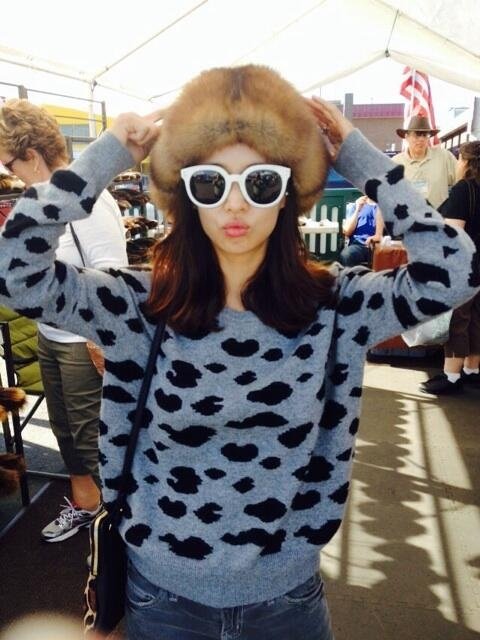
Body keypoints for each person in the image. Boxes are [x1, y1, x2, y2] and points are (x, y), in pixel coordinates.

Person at [0, 65, 478, 640]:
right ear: (186, 194)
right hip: (163, 598)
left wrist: (360, 159)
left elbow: (457, 270)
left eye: (261, 183)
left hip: (288, 598)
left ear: (288, 195)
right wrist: (105, 156)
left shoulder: (336, 307)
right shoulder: (138, 304)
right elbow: (15, 274)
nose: (234, 204)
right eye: (209, 183)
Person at [0, 99, 128, 542]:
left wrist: (100, 341)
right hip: (52, 335)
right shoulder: (46, 199)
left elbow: (112, 275)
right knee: (66, 431)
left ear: (32, 155)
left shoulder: (86, 198)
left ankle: (122, 528)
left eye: (11, 164)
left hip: (81, 342)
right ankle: (88, 505)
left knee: (92, 437)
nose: (12, 173)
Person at [420, 140, 480, 395]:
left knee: (458, 320)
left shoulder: (464, 189)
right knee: (476, 319)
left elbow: (454, 235)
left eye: (459, 159)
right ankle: (472, 370)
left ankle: (452, 376)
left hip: (465, 268)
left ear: (466, 162)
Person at [392, 114, 457, 209]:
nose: (422, 139)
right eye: (417, 134)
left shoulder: (444, 157)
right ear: (407, 137)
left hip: (438, 216)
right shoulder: (395, 163)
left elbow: (462, 181)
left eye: (425, 135)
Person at [339, 194, 383, 266]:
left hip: (378, 246)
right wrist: (357, 210)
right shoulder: (356, 205)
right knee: (347, 254)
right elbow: (347, 231)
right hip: (358, 245)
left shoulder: (383, 206)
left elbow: (380, 235)